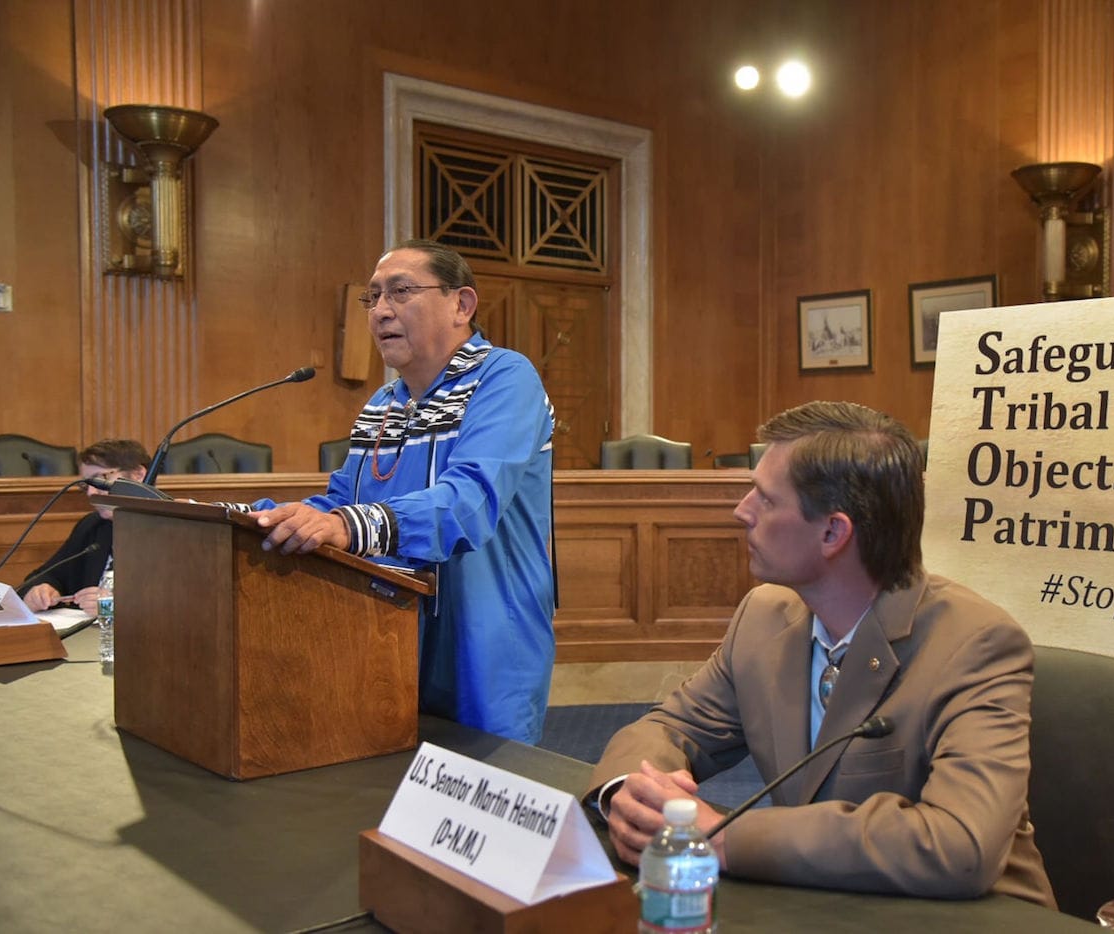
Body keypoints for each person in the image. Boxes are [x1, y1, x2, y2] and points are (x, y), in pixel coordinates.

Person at [588, 401, 1056, 906]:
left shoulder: (978, 644)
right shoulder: (764, 616)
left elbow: (961, 844)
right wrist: (629, 792)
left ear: (833, 532)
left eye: (765, 500)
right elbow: (669, 728)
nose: (741, 510)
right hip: (823, 906)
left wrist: (726, 837)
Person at [242, 239, 556, 743]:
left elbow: (467, 501)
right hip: (389, 633)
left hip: (485, 633)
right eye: (373, 298)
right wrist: (269, 518)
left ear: (462, 304)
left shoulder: (504, 377)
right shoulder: (383, 403)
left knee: (480, 796)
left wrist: (344, 525)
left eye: (401, 292)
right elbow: (343, 502)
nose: (381, 311)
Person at [19, 439, 151, 616]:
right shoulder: (93, 526)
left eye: (100, 479)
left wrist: (114, 607)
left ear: (137, 475)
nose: (91, 492)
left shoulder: (175, 530)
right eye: (86, 484)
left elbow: (179, 603)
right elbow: (48, 575)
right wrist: (40, 591)